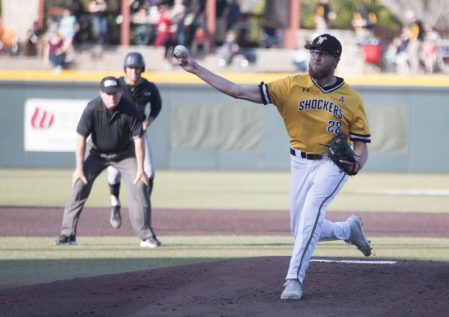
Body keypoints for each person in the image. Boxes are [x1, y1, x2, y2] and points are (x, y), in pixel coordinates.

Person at [175, 33, 372, 300]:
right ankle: (347, 230)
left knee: (312, 212)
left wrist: (357, 163)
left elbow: (361, 144)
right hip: (299, 163)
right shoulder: (290, 86)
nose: (315, 56)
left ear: (335, 59)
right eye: (313, 51)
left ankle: (293, 280)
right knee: (300, 228)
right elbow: (237, 91)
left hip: (332, 164)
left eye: (322, 53)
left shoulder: (351, 98)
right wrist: (195, 68)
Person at [55, 76, 160, 248]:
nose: (112, 97)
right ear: (101, 93)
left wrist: (140, 169)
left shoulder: (130, 109)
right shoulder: (92, 108)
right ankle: (67, 236)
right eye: (108, 93)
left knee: (140, 186)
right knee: (79, 185)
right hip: (97, 153)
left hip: (124, 154)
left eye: (115, 93)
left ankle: (146, 236)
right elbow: (81, 138)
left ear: (120, 92)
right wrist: (79, 168)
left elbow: (139, 140)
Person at [106, 52, 162, 229]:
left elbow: (157, 106)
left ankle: (143, 206)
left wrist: (148, 122)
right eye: (130, 67)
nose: (134, 71)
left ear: (142, 69)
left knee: (149, 171)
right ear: (125, 69)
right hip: (119, 135)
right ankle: (115, 203)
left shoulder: (149, 87)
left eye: (137, 68)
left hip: (139, 133)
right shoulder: (117, 84)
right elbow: (106, 103)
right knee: (113, 172)